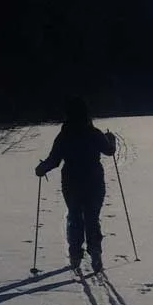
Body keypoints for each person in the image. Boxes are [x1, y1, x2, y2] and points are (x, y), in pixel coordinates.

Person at [35, 98, 117, 274]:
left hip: (72, 182)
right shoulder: (94, 133)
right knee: (92, 217)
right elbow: (109, 151)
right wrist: (111, 139)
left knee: (74, 216)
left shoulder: (64, 135)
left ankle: (75, 256)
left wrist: (42, 169)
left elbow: (54, 160)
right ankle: (95, 253)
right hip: (94, 180)